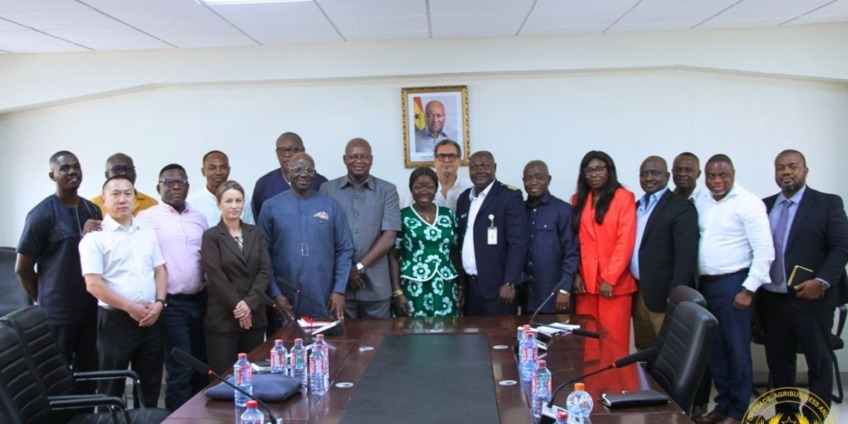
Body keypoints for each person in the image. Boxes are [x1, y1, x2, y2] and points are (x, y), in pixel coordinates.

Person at [756, 150, 848, 419]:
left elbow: (841, 247)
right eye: (780, 167)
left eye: (792, 166)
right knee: (780, 362)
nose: (786, 171)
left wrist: (821, 282)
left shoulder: (827, 203)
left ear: (805, 171)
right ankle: (786, 414)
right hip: (772, 300)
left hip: (812, 298)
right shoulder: (763, 206)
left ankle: (814, 416)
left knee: (818, 361)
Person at [693, 154, 773, 424]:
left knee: (737, 351)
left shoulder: (748, 203)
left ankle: (738, 412)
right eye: (711, 175)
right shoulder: (701, 200)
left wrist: (748, 289)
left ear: (733, 174)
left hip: (734, 285)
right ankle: (722, 405)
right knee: (715, 350)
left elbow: (765, 251)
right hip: (706, 286)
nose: (716, 181)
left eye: (722, 175)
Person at [15, 151, 102, 395]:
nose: (72, 171)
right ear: (52, 175)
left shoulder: (93, 210)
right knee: (56, 380)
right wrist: (44, 300)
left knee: (90, 377)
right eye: (64, 168)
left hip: (91, 310)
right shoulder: (40, 214)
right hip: (57, 315)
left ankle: (85, 414)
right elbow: (22, 269)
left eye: (76, 166)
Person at [78, 175, 167, 408]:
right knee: (111, 388)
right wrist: (130, 307)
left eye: (128, 194)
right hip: (115, 321)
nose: (122, 199)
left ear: (135, 199)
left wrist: (159, 303)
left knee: (149, 387)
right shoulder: (94, 238)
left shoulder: (147, 232)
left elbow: (160, 270)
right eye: (115, 194)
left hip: (151, 318)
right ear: (104, 200)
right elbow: (93, 284)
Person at [136, 164, 208, 411]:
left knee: (201, 364)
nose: (176, 186)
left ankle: (200, 416)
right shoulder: (146, 218)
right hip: (170, 304)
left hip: (201, 300)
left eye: (181, 181)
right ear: (158, 187)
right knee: (181, 368)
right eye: (169, 182)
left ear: (188, 186)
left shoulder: (199, 218)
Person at [259, 152, 353, 321]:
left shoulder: (331, 206)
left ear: (314, 174)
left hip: (325, 296)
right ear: (288, 172)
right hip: (285, 299)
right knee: (288, 337)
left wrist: (339, 290)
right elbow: (262, 254)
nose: (304, 174)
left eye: (309, 170)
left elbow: (344, 249)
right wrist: (275, 293)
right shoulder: (271, 206)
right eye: (298, 169)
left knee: (326, 337)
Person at [320, 138, 401, 318]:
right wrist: (346, 269)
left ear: (371, 160)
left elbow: (389, 236)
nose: (359, 160)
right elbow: (323, 235)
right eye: (353, 156)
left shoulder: (387, 190)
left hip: (377, 286)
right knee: (342, 335)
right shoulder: (327, 190)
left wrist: (358, 268)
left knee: (379, 335)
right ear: (344, 159)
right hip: (339, 285)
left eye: (364, 156)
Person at [201, 180, 271, 375]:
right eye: (228, 201)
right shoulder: (211, 236)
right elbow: (215, 276)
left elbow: (265, 271)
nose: (234, 206)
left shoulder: (256, 232)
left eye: (238, 201)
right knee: (223, 377)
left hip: (255, 315)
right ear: (219, 204)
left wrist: (249, 304)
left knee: (253, 375)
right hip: (223, 318)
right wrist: (240, 307)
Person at [570, 151, 636, 357]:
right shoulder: (577, 200)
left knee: (613, 345)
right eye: (588, 170)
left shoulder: (623, 197)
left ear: (609, 171)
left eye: (599, 169)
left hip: (614, 285)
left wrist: (610, 278)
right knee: (588, 346)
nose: (594, 174)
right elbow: (573, 241)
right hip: (585, 284)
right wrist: (576, 274)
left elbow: (625, 241)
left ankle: (615, 380)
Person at [630, 156, 699, 350]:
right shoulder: (637, 206)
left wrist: (675, 293)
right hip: (639, 292)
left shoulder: (681, 207)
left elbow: (686, 256)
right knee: (645, 349)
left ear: (667, 176)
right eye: (644, 174)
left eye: (655, 173)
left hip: (664, 295)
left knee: (669, 350)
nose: (648, 178)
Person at [456, 151, 527, 316]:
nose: (479, 170)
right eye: (474, 167)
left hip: (499, 289)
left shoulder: (509, 196)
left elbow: (517, 243)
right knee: (471, 333)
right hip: (470, 288)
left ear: (494, 168)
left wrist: (510, 283)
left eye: (485, 166)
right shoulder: (464, 199)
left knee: (499, 333)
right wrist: (462, 286)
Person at [389, 167, 460, 317]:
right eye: (418, 187)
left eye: (429, 186)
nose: (424, 191)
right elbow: (393, 256)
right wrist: (397, 292)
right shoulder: (402, 216)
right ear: (411, 190)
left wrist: (462, 287)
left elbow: (455, 253)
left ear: (436, 189)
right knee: (413, 328)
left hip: (446, 284)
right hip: (413, 285)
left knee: (448, 328)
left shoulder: (449, 215)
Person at [521, 160, 579, 314]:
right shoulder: (518, 211)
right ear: (523, 181)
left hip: (554, 294)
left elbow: (571, 253)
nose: (534, 182)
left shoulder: (563, 210)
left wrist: (564, 289)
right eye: (528, 178)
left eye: (539, 177)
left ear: (549, 179)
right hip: (526, 294)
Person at [251, 132, 328, 221]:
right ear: (276, 153)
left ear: (303, 150)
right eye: (282, 150)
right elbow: (259, 219)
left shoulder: (321, 183)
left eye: (293, 150)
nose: (287, 155)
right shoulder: (264, 184)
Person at [187, 150, 255, 227]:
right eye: (212, 168)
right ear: (203, 171)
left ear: (229, 170)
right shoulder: (193, 202)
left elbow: (250, 229)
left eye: (223, 167)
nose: (218, 172)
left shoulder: (242, 199)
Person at [402, 139, 472, 211]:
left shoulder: (469, 187)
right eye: (442, 156)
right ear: (435, 161)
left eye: (451, 156)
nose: (447, 160)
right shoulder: (420, 187)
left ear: (459, 161)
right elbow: (407, 212)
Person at [91, 153, 158, 217]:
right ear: (107, 175)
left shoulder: (152, 204)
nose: (123, 173)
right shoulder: (93, 205)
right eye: (117, 169)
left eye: (129, 168)